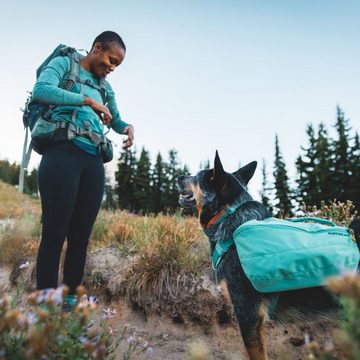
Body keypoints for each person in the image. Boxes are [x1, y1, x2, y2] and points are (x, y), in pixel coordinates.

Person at [32, 31, 134, 310]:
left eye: (117, 65)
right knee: (54, 234)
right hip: (61, 152)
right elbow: (42, 90)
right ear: (97, 48)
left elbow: (114, 118)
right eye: (111, 60)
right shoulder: (66, 63)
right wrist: (86, 101)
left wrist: (126, 128)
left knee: (80, 238)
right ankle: (45, 309)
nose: (112, 68)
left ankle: (69, 306)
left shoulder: (105, 86)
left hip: (93, 160)